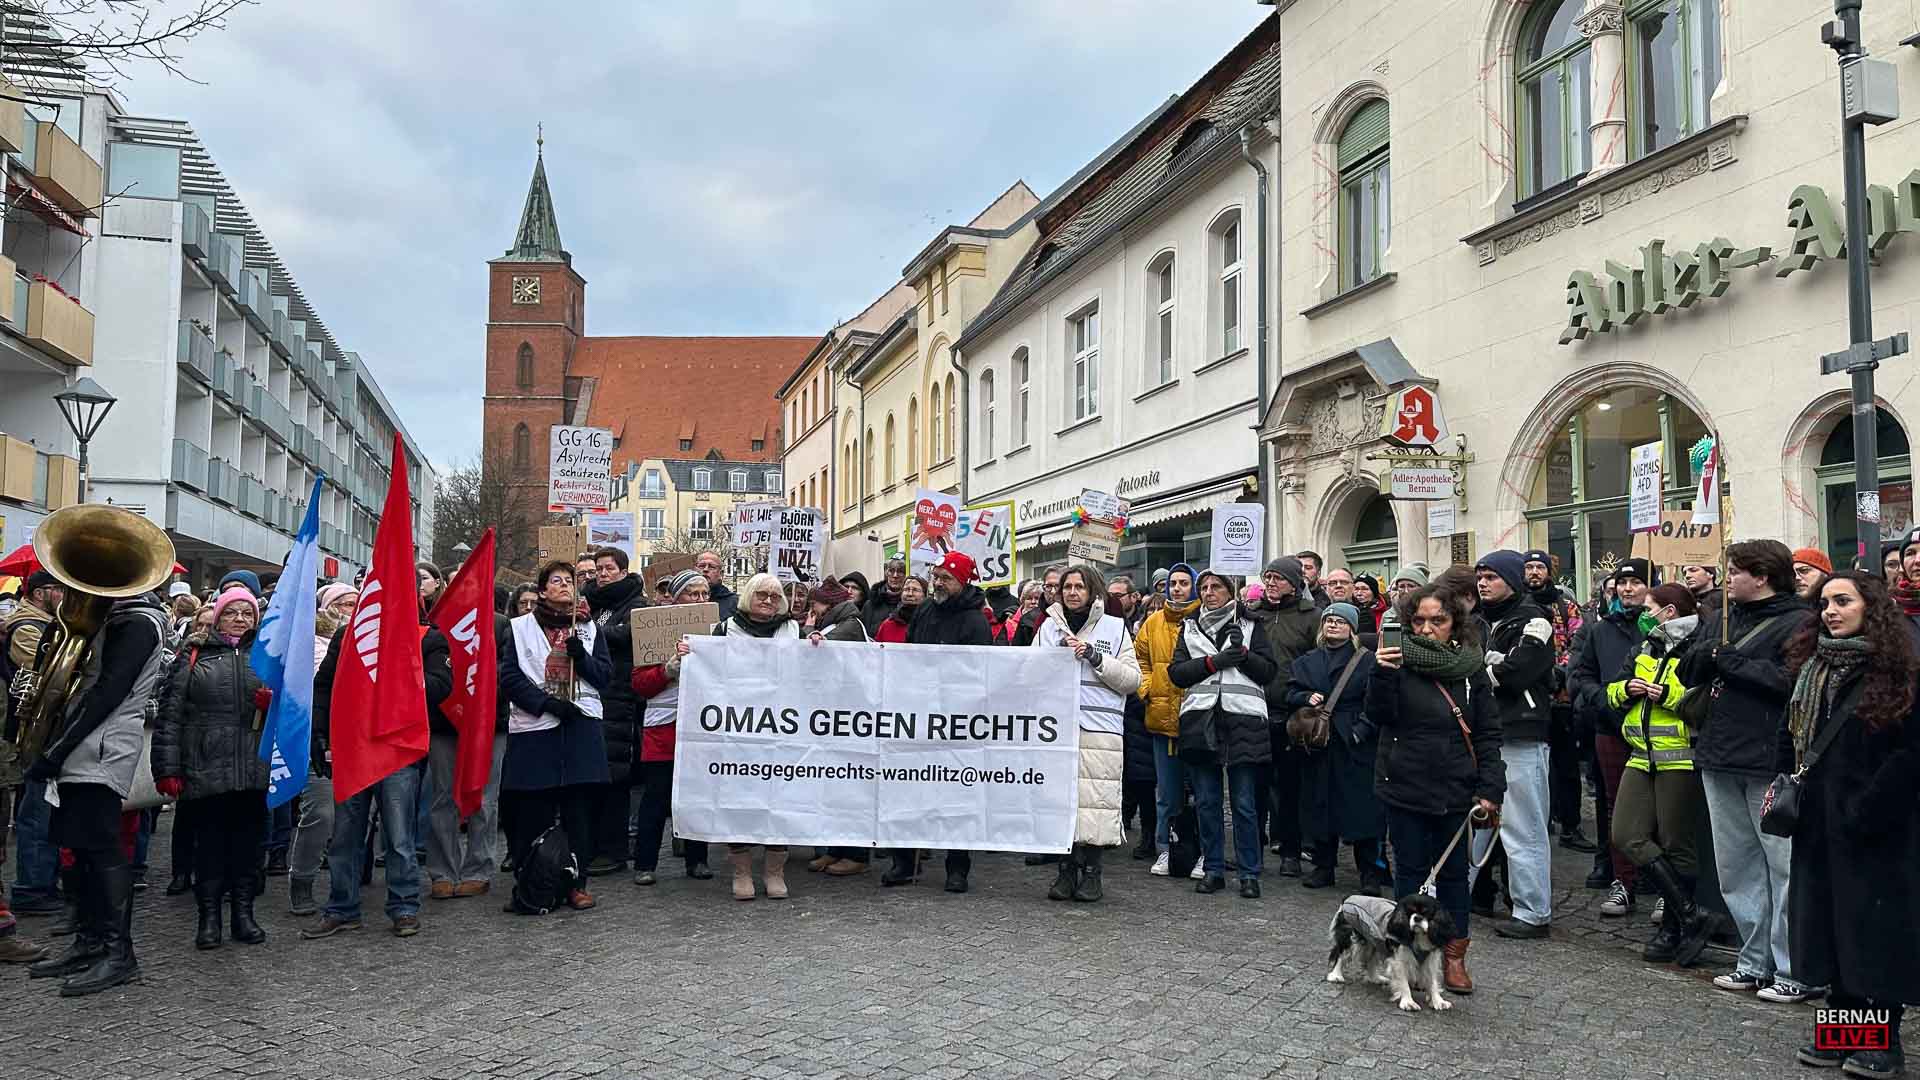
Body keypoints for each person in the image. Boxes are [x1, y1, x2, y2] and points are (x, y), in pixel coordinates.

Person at [1781, 571, 1920, 1076]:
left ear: (1871, 607)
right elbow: (1794, 733)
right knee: (1830, 930)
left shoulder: (1898, 666)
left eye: (1843, 601)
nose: (1830, 611)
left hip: (1877, 825)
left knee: (1874, 933)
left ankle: (1883, 1044)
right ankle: (1844, 1034)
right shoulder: (1814, 665)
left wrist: (1867, 807)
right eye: (1824, 603)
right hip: (1819, 823)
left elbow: (1910, 750)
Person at [1677, 539, 1818, 1003]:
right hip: (1719, 753)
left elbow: (1790, 684)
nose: (1728, 579)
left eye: (1735, 571)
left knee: (1782, 865)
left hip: (1767, 759)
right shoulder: (1722, 618)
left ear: (1761, 576)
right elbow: (1689, 675)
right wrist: (1697, 655)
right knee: (1735, 866)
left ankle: (1793, 966)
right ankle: (1752, 959)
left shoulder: (1800, 622)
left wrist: (1732, 663)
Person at [19, 577, 167, 997]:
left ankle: (119, 955)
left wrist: (56, 749)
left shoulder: (137, 622)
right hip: (83, 748)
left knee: (101, 848)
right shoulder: (114, 618)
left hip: (101, 748)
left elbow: (107, 692)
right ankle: (89, 941)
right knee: (79, 845)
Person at [1368, 583, 1504, 995]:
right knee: (1409, 872)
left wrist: (1490, 788)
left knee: (1453, 877)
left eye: (1438, 620)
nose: (1427, 629)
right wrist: (1382, 673)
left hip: (1454, 785)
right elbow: (1378, 715)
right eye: (1419, 620)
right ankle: (1408, 957)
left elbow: (1487, 732)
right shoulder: (1395, 661)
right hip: (1404, 781)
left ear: (1454, 624)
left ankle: (1454, 956)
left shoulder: (1470, 668)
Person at [303, 580, 451, 939]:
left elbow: (441, 685)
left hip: (398, 749)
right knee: (345, 834)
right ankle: (342, 907)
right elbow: (324, 686)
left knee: (399, 835)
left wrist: (400, 671)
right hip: (353, 747)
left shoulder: (428, 638)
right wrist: (318, 734)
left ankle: (403, 906)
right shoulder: (347, 637)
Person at [151, 586, 277, 949]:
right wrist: (167, 768)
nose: (239, 620)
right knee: (208, 848)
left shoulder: (266, 654)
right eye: (231, 613)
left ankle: (243, 914)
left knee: (248, 848)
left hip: (253, 767)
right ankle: (208, 919)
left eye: (247, 613)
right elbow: (170, 717)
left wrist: (275, 703)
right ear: (217, 617)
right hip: (205, 766)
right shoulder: (193, 654)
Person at [1604, 583, 1715, 967]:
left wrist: (1664, 694)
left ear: (1669, 611)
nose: (1643, 612)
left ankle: (1672, 927)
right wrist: (1627, 689)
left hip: (1679, 758)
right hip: (1640, 754)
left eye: (1650, 607)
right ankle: (1689, 912)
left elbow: (1702, 701)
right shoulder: (1646, 645)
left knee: (1676, 843)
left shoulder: (1699, 645)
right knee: (1625, 834)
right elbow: (1611, 690)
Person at [494, 560, 610, 914]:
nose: (564, 585)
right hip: (537, 730)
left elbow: (604, 676)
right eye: (556, 580)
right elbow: (510, 677)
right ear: (542, 590)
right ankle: (533, 883)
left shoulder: (590, 630)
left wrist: (582, 659)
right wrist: (546, 704)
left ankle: (576, 883)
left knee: (578, 813)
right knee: (533, 812)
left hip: (580, 729)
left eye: (569, 580)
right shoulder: (518, 628)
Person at [883, 551, 993, 891]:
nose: (938, 583)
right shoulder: (926, 611)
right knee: (910, 788)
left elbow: (981, 673)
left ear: (962, 581)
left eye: (946, 578)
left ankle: (957, 867)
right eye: (937, 576)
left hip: (957, 720)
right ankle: (904, 862)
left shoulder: (975, 621)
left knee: (957, 795)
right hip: (920, 712)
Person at [1031, 565, 1141, 903]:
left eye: (1079, 586)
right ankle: (1065, 871)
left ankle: (1092, 873)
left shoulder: (1114, 627)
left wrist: (1095, 657)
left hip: (1100, 730)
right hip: (1057, 729)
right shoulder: (1049, 628)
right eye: (1067, 587)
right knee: (1060, 802)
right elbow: (1028, 673)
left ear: (1093, 591)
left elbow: (1132, 680)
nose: (1072, 592)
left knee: (1096, 804)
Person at [1168, 568, 1278, 898]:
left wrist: (1242, 655)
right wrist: (1215, 662)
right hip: (1201, 721)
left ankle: (1249, 873)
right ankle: (1213, 868)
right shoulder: (1188, 626)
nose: (1209, 591)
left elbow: (1269, 671)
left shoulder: (1250, 624)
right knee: (1207, 802)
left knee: (1244, 804)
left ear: (1231, 591)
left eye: (1216, 586)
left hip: (1242, 721)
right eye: (1204, 587)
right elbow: (1177, 673)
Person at [1472, 551, 1557, 941]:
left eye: (1491, 576)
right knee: (1475, 823)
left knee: (1523, 826)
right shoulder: (1476, 622)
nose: (1483, 583)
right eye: (1480, 576)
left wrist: (1484, 668)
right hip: (1482, 733)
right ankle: (1458, 894)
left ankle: (1532, 910)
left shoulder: (1535, 619)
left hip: (1521, 732)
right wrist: (1490, 665)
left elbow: (1520, 671)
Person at [703, 573, 804, 898]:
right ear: (748, 595)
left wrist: (818, 647)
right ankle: (742, 872)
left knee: (780, 799)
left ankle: (774, 871)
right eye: (762, 594)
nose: (769, 601)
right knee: (739, 800)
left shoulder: (793, 629)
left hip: (780, 728)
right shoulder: (724, 629)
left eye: (775, 596)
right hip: (738, 729)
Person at [1286, 602, 1387, 894]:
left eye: (1340, 622)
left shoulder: (1367, 661)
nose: (1333, 625)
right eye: (1329, 620)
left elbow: (1377, 701)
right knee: (1319, 804)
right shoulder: (1307, 660)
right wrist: (1306, 697)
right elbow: (1289, 692)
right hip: (1319, 744)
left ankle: (1370, 872)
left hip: (1354, 743)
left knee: (1363, 810)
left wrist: (1361, 731)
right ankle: (1323, 866)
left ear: (1352, 628)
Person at [1569, 560, 1653, 912]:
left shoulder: (1662, 629)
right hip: (1611, 728)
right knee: (1618, 809)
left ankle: (1663, 885)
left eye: (1636, 582)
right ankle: (1624, 881)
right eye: (1622, 582)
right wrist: (1603, 698)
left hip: (1656, 731)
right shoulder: (1600, 630)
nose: (1628, 589)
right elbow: (1582, 673)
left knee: (1660, 811)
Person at [630, 571, 714, 886]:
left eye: (705, 593)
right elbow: (639, 684)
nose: (700, 600)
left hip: (701, 728)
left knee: (697, 797)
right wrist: (667, 670)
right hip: (662, 730)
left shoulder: (717, 631)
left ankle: (697, 860)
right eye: (693, 594)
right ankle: (645, 863)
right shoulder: (653, 633)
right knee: (656, 798)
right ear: (677, 598)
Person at [288, 583, 357, 916]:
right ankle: (301, 880)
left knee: (355, 818)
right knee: (320, 813)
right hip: (320, 740)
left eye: (356, 603)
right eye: (346, 604)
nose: (352, 609)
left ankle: (349, 886)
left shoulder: (366, 641)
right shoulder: (306, 645)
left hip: (356, 740)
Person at [580, 548, 647, 879]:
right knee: (591, 776)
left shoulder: (636, 604)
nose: (602, 574)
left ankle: (613, 849)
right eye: (598, 569)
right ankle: (589, 844)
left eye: (609, 568)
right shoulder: (591, 603)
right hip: (589, 698)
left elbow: (629, 634)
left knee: (615, 778)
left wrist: (585, 631)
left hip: (618, 700)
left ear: (623, 571)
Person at [1522, 550, 1593, 854]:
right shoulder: (1519, 606)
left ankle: (1571, 825)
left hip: (1562, 697)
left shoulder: (1566, 606)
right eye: (1529, 567)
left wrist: (1561, 672)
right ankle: (1541, 820)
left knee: (1565, 765)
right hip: (1528, 697)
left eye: (1540, 567)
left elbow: (1578, 644)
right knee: (1535, 763)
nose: (1534, 572)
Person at [1135, 563, 1203, 880]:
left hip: (1198, 718)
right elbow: (1140, 660)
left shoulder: (1203, 620)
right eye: (1172, 584)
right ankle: (1166, 848)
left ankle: (1202, 851)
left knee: (1204, 792)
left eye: (1183, 583)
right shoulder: (1152, 622)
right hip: (1162, 717)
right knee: (1166, 792)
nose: (1176, 589)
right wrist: (1147, 688)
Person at [1255, 556, 1320, 877]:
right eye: (1267, 577)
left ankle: (1291, 851)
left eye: (1277, 578)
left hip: (1294, 713)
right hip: (1256, 712)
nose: (1270, 583)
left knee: (1292, 788)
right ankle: (1251, 848)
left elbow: (1317, 660)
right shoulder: (1255, 616)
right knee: (1255, 786)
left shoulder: (1312, 617)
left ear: (1295, 583)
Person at [4, 571, 61, 921]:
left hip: (44, 728)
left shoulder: (47, 623)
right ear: (42, 593)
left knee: (44, 809)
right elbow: (45, 672)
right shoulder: (27, 627)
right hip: (33, 730)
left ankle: (42, 881)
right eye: (60, 589)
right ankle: (31, 887)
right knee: (36, 811)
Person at [1012, 565, 1063, 647]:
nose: (1053, 591)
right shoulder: (1026, 620)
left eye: (1057, 586)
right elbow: (1018, 655)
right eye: (1048, 586)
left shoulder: (1078, 616)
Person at [807, 578, 870, 642]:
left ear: (828, 604)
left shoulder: (849, 624)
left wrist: (808, 628)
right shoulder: (835, 621)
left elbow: (815, 648)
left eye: (812, 604)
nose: (811, 609)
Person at [874, 576, 925, 644]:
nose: (910, 594)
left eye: (915, 590)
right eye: (906, 589)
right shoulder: (887, 625)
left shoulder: (930, 623)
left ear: (924, 595)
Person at [862, 558, 907, 634]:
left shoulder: (911, 604)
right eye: (891, 571)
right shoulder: (870, 604)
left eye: (900, 571)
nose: (895, 575)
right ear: (886, 574)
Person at [696, 551, 737, 620]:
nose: (705, 569)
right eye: (702, 566)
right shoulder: (684, 599)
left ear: (721, 574)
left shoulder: (734, 603)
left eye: (711, 567)